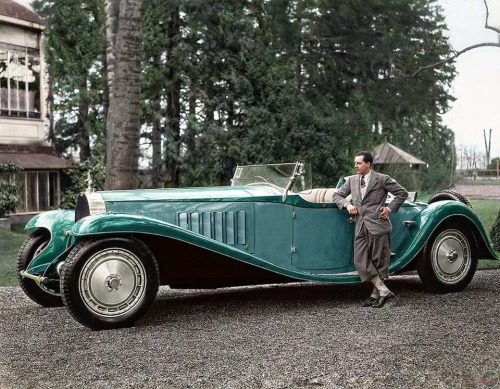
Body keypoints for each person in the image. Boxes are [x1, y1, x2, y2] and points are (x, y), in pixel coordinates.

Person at [332, 151, 408, 308]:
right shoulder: (352, 181)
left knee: (379, 262)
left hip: (378, 225)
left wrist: (389, 209)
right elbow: (337, 195)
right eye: (355, 163)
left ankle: (375, 295)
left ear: (368, 164)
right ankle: (384, 290)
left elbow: (402, 193)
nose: (355, 166)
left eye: (358, 163)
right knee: (360, 261)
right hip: (360, 225)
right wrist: (348, 204)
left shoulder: (382, 179)